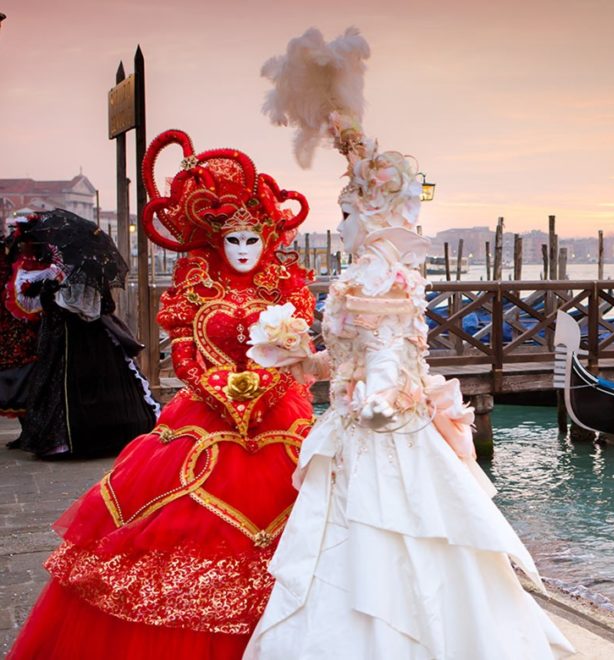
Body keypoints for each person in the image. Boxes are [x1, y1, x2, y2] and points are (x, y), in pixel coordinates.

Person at [243, 28, 575, 659]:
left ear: (371, 212)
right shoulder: (369, 276)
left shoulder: (382, 276)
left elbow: (390, 362)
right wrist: (302, 359)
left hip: (382, 439)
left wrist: (373, 395)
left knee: (397, 548)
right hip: (357, 431)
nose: (339, 225)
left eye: (346, 213)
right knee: (363, 551)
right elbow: (355, 360)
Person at [7, 131, 316, 659]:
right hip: (206, 417)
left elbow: (298, 354)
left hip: (277, 416)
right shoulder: (196, 288)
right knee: (169, 527)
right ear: (216, 241)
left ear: (268, 241)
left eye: (252, 241)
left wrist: (271, 385)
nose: (242, 251)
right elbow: (186, 354)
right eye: (232, 241)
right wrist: (216, 388)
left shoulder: (285, 289)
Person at [5, 210, 159, 458]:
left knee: (79, 385)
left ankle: (82, 439)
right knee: (56, 385)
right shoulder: (62, 268)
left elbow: (85, 307)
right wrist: (49, 291)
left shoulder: (83, 270)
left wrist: (53, 294)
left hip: (78, 337)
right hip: (64, 336)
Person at [0, 233, 39, 423]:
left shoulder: (24, 269)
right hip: (10, 329)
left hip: (21, 329)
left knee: (24, 379)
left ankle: (29, 429)